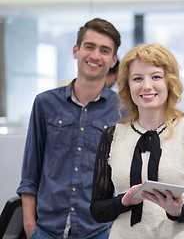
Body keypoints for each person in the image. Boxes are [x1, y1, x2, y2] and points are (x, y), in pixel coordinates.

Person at [90, 43, 184, 239]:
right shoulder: (111, 136)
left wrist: (178, 211)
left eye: (156, 77)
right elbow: (98, 209)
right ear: (127, 85)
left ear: (169, 82)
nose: (146, 86)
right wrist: (124, 201)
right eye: (137, 78)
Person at [16, 18, 121, 239]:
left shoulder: (123, 111)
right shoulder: (45, 103)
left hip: (99, 231)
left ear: (113, 60)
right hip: (46, 230)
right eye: (89, 46)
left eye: (104, 50)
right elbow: (30, 171)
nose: (94, 56)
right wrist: (29, 227)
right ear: (76, 50)